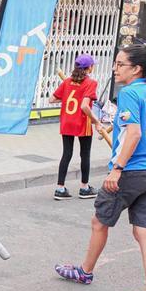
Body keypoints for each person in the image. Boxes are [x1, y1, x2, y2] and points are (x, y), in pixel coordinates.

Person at [54, 44, 146, 291]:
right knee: (144, 233)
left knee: (99, 221)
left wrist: (117, 167)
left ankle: (85, 271)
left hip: (130, 171)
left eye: (120, 64)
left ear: (137, 69)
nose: (115, 69)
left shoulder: (130, 92)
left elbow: (134, 134)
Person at [50, 54, 102, 200]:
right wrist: (96, 121)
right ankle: (84, 188)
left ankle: (60, 189)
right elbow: (85, 106)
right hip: (82, 122)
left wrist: (67, 96)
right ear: (89, 67)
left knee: (66, 154)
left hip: (67, 121)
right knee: (85, 154)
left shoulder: (67, 81)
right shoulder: (91, 83)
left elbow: (52, 99)